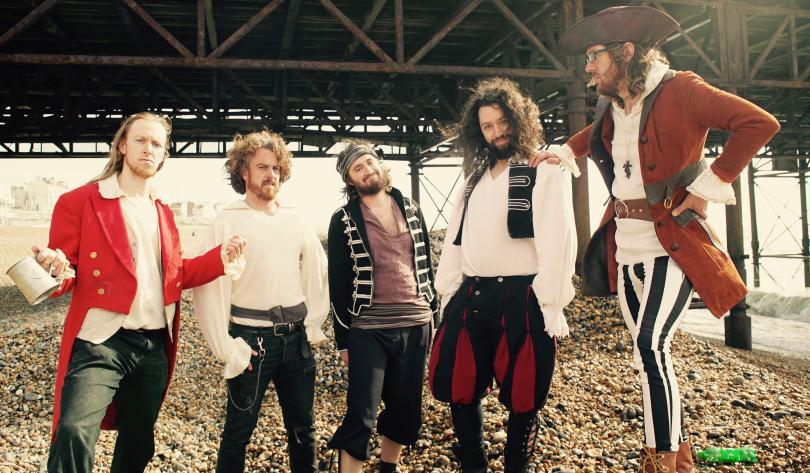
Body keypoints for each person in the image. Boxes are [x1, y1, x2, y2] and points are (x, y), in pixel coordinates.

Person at [535, 6, 780, 472]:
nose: (587, 68)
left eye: (594, 56)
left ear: (625, 52)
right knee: (646, 353)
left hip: (673, 247)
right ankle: (682, 458)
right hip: (625, 248)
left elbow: (759, 123)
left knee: (650, 346)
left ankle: (659, 459)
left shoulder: (682, 89)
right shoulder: (613, 104)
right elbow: (597, 133)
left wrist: (709, 185)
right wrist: (563, 151)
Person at [34, 111, 245, 473]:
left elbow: (172, 275)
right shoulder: (80, 201)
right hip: (100, 341)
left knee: (139, 442)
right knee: (73, 430)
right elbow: (66, 273)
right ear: (122, 145)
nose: (149, 148)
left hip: (152, 344)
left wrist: (218, 258)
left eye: (157, 144)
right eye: (141, 140)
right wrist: (54, 267)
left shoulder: (162, 211)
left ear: (164, 155)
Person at [427, 77, 577, 473]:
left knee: (525, 392)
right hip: (473, 293)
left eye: (503, 121)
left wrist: (551, 302)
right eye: (488, 126)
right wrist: (448, 293)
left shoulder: (542, 170)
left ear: (519, 118)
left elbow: (558, 238)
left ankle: (516, 467)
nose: (497, 132)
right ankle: (473, 464)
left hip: (522, 293)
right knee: (459, 385)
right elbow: (455, 241)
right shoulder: (472, 179)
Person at [192, 130, 329, 473]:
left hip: (296, 340)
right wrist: (225, 346)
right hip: (251, 341)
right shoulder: (227, 220)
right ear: (243, 171)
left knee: (303, 430)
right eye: (262, 167)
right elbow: (207, 287)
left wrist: (313, 324)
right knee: (238, 432)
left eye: (276, 168)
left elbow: (318, 270)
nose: (271, 174)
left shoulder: (294, 218)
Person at [326, 141, 439, 473]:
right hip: (368, 329)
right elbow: (338, 283)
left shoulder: (412, 208)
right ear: (350, 180)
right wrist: (343, 341)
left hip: (416, 322)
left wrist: (434, 315)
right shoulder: (343, 219)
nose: (367, 170)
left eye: (369, 162)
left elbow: (426, 264)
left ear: (380, 165)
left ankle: (388, 468)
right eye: (357, 168)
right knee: (362, 413)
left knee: (406, 409)